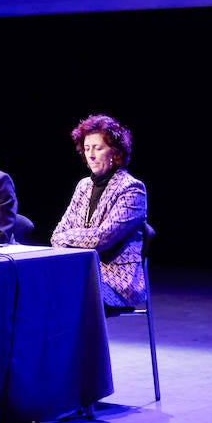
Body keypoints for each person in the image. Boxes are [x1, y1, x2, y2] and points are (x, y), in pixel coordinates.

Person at [51, 114, 148, 314]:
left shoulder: (132, 189)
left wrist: (69, 236)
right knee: (38, 286)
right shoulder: (83, 186)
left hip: (116, 280)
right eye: (87, 149)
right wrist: (70, 236)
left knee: (65, 293)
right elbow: (56, 235)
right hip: (80, 270)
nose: (91, 155)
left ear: (115, 151)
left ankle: (85, 346)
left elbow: (102, 239)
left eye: (98, 148)